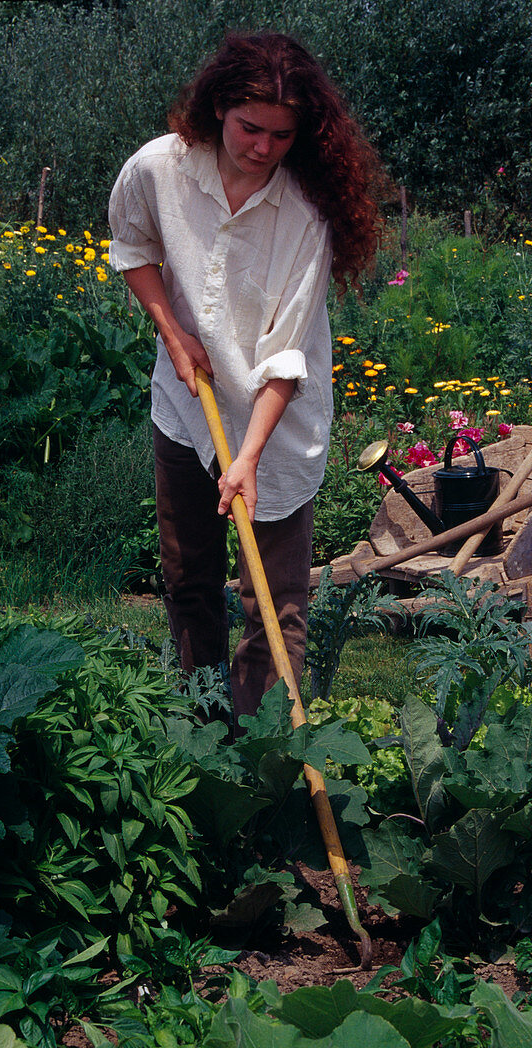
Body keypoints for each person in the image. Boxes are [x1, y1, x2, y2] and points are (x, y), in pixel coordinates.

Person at [109, 31, 386, 720]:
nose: (262, 148)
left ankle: (267, 760)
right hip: (187, 404)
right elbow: (134, 246)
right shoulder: (159, 170)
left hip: (275, 424)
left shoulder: (305, 217)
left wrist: (251, 458)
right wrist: (172, 336)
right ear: (218, 109)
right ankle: (202, 732)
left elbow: (286, 354)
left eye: (282, 135)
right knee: (189, 581)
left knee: (278, 603)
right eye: (249, 128)